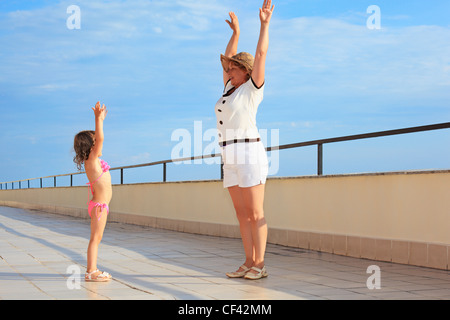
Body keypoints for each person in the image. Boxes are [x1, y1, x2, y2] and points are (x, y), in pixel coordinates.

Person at [216, 0, 274, 280]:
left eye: (235, 69)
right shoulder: (230, 90)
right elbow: (227, 59)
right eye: (229, 69)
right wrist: (236, 34)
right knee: (241, 215)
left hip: (249, 152)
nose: (229, 71)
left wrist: (264, 24)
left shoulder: (251, 89)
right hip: (229, 156)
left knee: (254, 212)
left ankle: (260, 264)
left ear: (246, 72)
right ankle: (248, 261)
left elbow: (261, 53)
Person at [73, 102, 112, 282]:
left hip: (100, 206)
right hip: (99, 206)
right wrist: (98, 119)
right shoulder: (92, 160)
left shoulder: (93, 162)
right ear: (91, 146)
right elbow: (101, 138)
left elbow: (100, 139)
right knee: (95, 239)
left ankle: (92, 270)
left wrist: (100, 119)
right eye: (94, 140)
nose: (99, 142)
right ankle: (91, 271)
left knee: (97, 237)